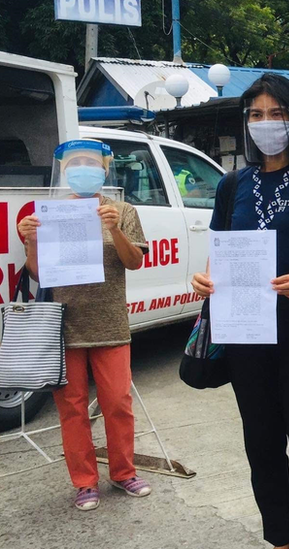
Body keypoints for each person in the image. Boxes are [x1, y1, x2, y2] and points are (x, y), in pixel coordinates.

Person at [190, 73, 289, 549]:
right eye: (257, 114)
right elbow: (220, 251)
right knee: (261, 441)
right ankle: (279, 538)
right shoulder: (231, 185)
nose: (266, 123)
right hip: (244, 327)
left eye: (277, 113)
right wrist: (206, 279)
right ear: (246, 123)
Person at [17, 139, 151, 511]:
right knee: (72, 408)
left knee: (118, 403)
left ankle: (124, 472)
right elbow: (39, 274)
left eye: (90, 162)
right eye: (74, 162)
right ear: (64, 171)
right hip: (64, 326)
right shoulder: (52, 214)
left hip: (110, 323)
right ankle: (84, 482)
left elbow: (134, 262)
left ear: (105, 170)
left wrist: (115, 230)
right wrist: (30, 242)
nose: (82, 168)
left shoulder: (121, 210)